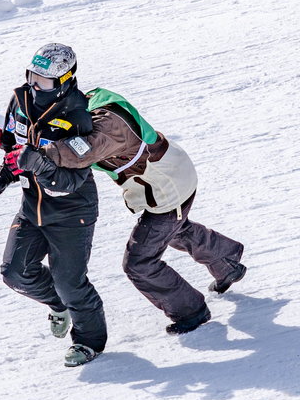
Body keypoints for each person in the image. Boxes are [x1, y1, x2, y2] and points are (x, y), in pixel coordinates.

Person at [15, 85, 245, 335]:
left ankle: (191, 311)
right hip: (170, 173)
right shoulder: (87, 101)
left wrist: (40, 156)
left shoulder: (109, 126)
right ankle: (227, 262)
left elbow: (80, 151)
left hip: (166, 187)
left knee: (139, 262)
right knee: (175, 230)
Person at [0, 43, 107, 367]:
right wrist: (1, 180)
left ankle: (89, 342)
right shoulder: (20, 100)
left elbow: (72, 180)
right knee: (15, 271)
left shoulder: (77, 114)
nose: (36, 87)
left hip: (71, 211)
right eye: (33, 77)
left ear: (64, 81)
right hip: (31, 205)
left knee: (69, 281)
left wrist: (39, 164)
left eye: (44, 82)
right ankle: (58, 304)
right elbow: (13, 148)